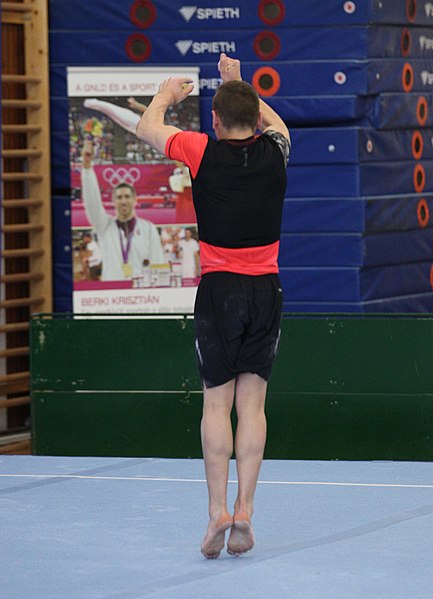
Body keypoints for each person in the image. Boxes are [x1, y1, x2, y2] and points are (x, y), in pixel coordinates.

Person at [136, 53, 290, 559]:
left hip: (220, 291)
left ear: (215, 121)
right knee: (253, 407)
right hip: (266, 291)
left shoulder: (202, 151)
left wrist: (165, 95)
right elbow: (274, 121)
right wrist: (239, 84)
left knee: (217, 405)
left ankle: (217, 512)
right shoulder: (277, 152)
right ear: (255, 117)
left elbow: (147, 126)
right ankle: (245, 510)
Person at [81, 140, 164, 280]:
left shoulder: (148, 228)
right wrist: (87, 167)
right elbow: (92, 203)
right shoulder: (105, 227)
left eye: (127, 196)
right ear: (114, 201)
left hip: (143, 294)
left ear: (135, 199)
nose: (123, 201)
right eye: (119, 197)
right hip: (113, 294)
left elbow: (157, 261)